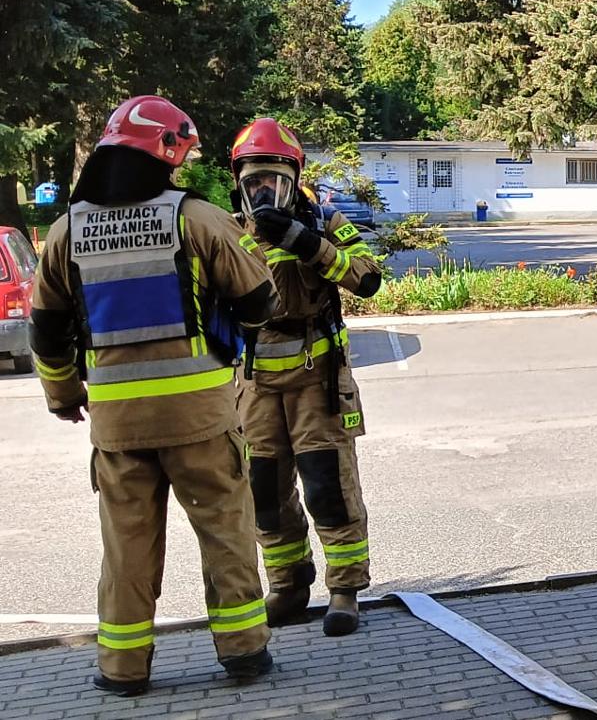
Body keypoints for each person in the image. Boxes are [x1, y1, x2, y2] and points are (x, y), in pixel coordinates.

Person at [29, 95, 277, 696]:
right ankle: (244, 655)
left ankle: (123, 669)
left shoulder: (66, 231)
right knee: (226, 534)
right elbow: (259, 301)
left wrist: (63, 394)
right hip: (201, 417)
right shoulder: (196, 218)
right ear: (165, 150)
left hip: (117, 427)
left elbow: (45, 328)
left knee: (127, 549)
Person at [230, 118, 384, 637]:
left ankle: (344, 590)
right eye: (254, 184)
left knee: (327, 486)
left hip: (317, 379)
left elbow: (367, 278)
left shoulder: (323, 219)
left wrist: (305, 241)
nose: (264, 193)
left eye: (274, 181)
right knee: (265, 492)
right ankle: (288, 584)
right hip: (256, 383)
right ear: (240, 183)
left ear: (294, 178)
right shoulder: (230, 231)